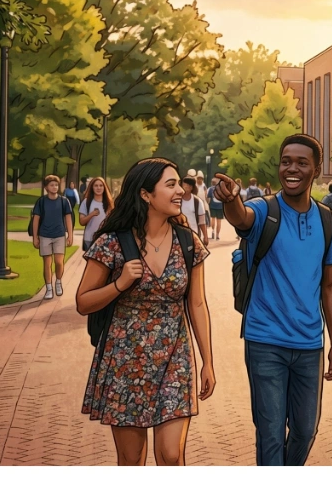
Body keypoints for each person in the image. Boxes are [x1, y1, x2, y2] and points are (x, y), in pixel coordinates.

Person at [213, 134, 332, 466]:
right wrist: (231, 199)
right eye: (286, 161)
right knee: (270, 432)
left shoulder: (328, 221)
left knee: (305, 429)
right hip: (265, 340)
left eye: (302, 162)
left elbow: (330, 286)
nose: (292, 168)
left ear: (316, 169)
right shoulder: (264, 210)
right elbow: (240, 218)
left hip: (309, 344)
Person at [76, 158, 215, 466]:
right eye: (171, 185)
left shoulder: (187, 241)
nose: (180, 190)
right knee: (131, 459)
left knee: (170, 455)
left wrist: (208, 362)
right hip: (125, 362)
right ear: (145, 195)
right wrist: (120, 284)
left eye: (179, 184)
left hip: (174, 359)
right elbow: (83, 301)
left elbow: (197, 304)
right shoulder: (112, 242)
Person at [32, 175, 74, 300]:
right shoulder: (41, 201)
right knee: (47, 263)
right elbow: (36, 219)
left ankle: (58, 282)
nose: (54, 187)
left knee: (59, 262)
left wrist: (70, 235)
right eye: (51, 185)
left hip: (59, 235)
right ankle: (49, 288)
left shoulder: (64, 201)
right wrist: (35, 237)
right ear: (46, 187)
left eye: (56, 185)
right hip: (45, 235)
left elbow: (68, 219)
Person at [79, 177, 114, 252]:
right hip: (89, 238)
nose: (98, 188)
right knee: (90, 263)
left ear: (104, 188)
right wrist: (91, 214)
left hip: (105, 239)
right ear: (92, 187)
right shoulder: (86, 202)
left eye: (101, 186)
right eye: (96, 185)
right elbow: (82, 222)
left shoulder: (109, 204)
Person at [180, 177, 210, 246]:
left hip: (194, 235)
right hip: (179, 236)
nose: (186, 187)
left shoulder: (197, 201)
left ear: (192, 188)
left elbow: (202, 222)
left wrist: (205, 236)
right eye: (185, 185)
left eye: (189, 185)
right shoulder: (176, 200)